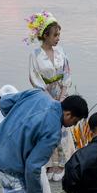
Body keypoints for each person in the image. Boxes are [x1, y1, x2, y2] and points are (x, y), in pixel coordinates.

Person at [27, 11, 73, 181]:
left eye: (59, 34)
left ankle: (62, 163)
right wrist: (48, 97)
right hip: (44, 96)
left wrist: (62, 96)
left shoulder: (61, 52)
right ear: (45, 35)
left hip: (61, 94)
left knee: (62, 129)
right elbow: (34, 77)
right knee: (47, 129)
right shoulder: (35, 55)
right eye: (55, 34)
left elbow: (67, 73)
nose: (58, 38)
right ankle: (49, 164)